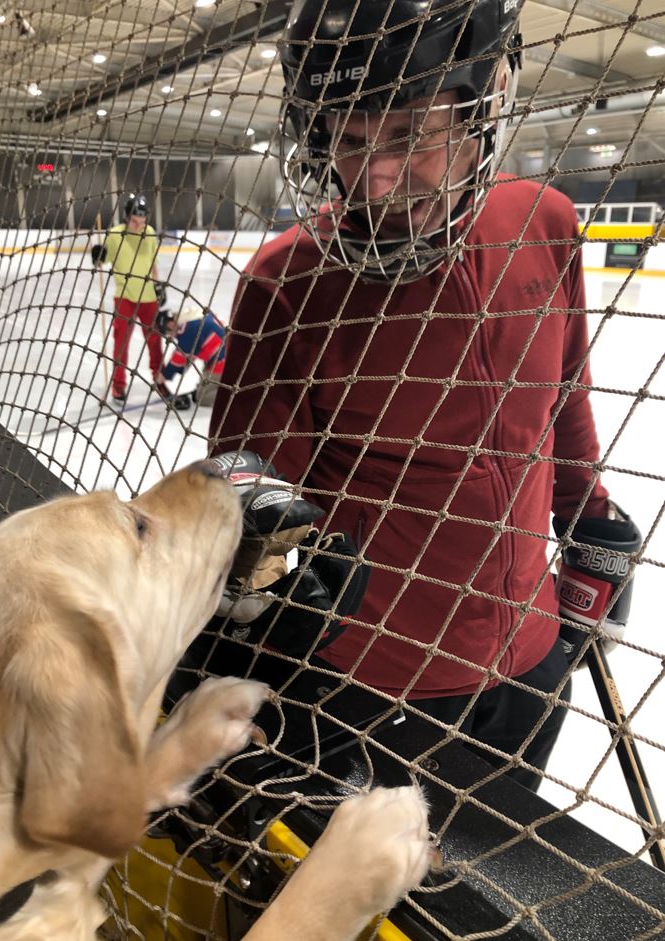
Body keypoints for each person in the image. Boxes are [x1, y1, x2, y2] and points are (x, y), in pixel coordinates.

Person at [208, 0, 637, 792]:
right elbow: (251, 470)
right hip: (366, 686)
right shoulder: (288, 282)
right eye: (347, 139)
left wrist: (591, 513)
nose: (375, 177)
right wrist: (245, 530)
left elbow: (562, 396)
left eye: (411, 134)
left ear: (485, 105)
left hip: (530, 670)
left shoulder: (545, 223)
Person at [91, 193, 176, 405]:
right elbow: (103, 262)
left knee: (155, 341)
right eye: (135, 221)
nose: (139, 225)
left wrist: (158, 284)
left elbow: (153, 262)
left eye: (143, 221)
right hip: (124, 297)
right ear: (127, 217)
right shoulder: (114, 235)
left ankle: (159, 379)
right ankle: (118, 384)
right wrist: (98, 256)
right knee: (121, 342)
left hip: (149, 298)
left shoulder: (149, 234)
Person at [154, 303, 227, 409]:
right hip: (228, 354)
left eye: (167, 333)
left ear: (170, 325)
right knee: (202, 387)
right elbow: (188, 357)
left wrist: (165, 375)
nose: (171, 336)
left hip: (222, 362)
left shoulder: (189, 330)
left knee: (202, 398)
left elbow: (180, 359)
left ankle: (235, 395)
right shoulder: (194, 316)